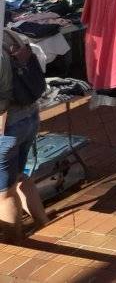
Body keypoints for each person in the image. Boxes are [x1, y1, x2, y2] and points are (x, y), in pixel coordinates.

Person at [0, 30, 49, 241]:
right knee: (20, 177)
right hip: (29, 115)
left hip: (6, 125)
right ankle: (44, 224)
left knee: (4, 193)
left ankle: (15, 242)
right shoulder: (9, 34)